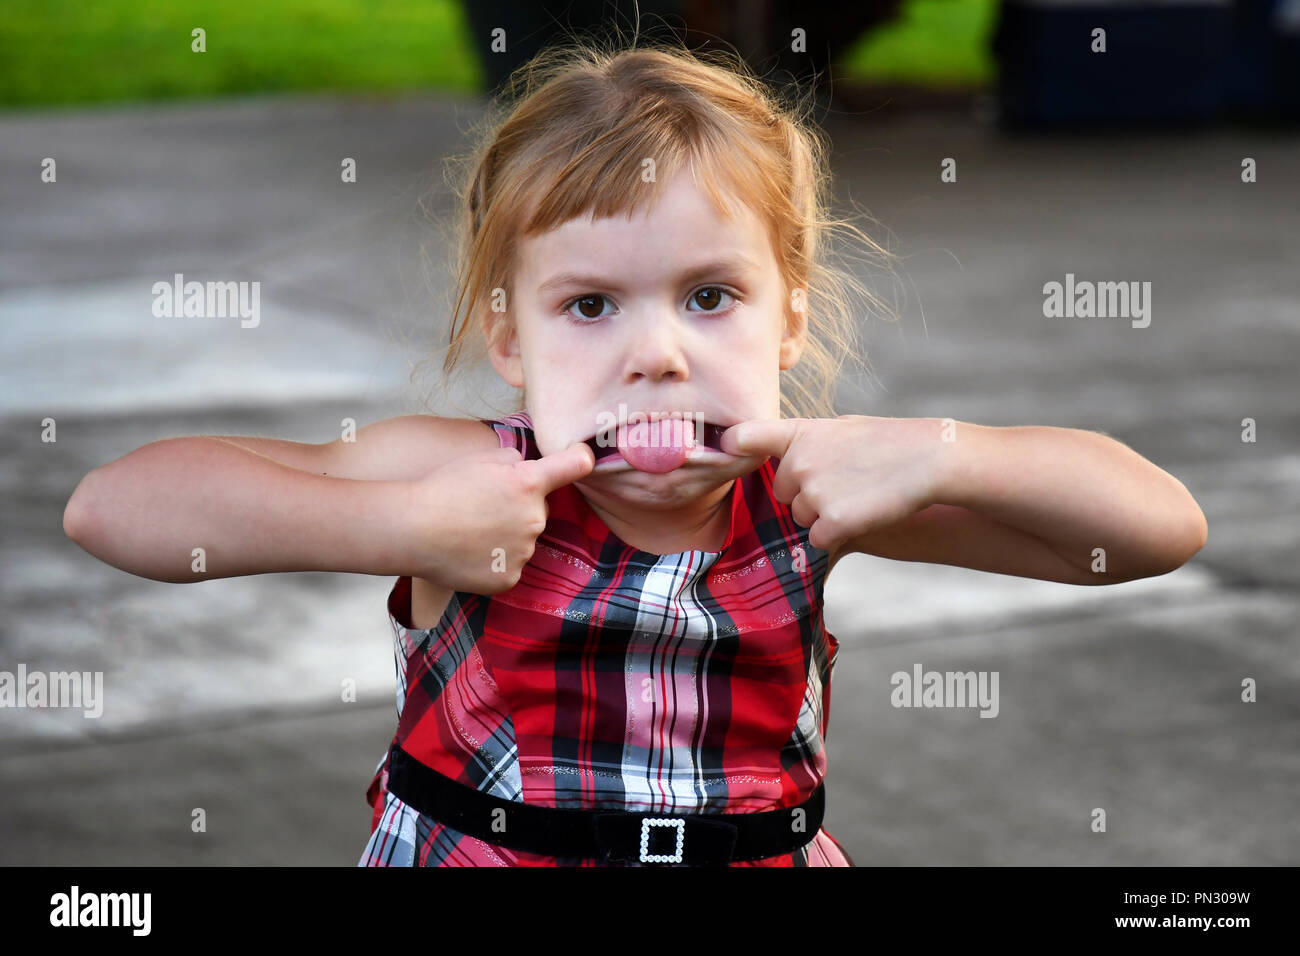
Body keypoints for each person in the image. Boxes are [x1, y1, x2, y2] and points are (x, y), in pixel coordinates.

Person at [63, 37, 1208, 868]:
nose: (655, 353)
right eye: (591, 306)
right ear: (509, 336)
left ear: (791, 317)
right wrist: (401, 530)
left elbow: (1151, 533)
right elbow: (119, 508)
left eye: (710, 296)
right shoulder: (460, 476)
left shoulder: (808, 496)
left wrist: (949, 453)